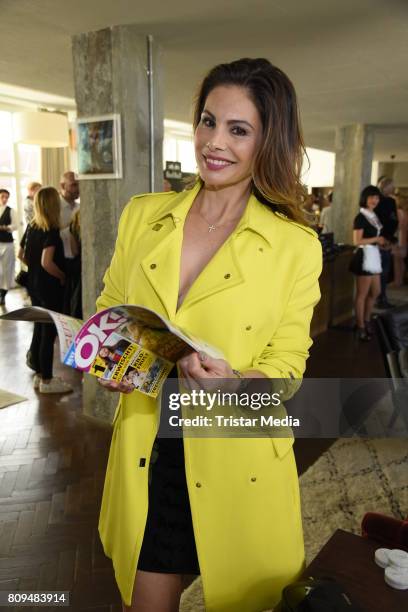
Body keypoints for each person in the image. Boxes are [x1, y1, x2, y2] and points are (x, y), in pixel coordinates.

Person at [96, 58, 322, 612]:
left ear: (268, 142)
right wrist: (111, 361)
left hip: (236, 454)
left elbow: (288, 366)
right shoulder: (141, 217)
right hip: (151, 449)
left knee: (242, 598)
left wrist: (237, 384)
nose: (213, 142)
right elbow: (110, 311)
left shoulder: (296, 246)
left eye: (237, 129)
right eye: (206, 121)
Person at [19, 187, 72, 394]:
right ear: (52, 204)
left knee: (40, 329)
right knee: (48, 332)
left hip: (33, 285)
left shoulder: (32, 227)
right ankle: (48, 381)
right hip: (49, 288)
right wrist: (62, 276)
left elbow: (21, 254)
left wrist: (33, 270)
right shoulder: (50, 229)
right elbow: (47, 262)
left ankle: (41, 376)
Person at [349, 186, 385, 341]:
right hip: (364, 256)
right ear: (365, 198)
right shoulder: (361, 217)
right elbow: (357, 241)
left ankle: (367, 319)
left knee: (375, 292)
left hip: (374, 255)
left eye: (377, 198)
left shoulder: (373, 215)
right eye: (372, 197)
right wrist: (377, 239)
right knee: (362, 294)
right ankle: (361, 325)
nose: (374, 200)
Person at [375, 177, 398, 308]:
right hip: (378, 241)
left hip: (388, 239)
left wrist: (391, 239)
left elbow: (393, 221)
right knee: (380, 273)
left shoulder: (391, 201)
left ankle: (382, 297)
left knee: (385, 272)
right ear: (385, 186)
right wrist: (381, 239)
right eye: (392, 186)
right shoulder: (377, 201)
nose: (394, 188)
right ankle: (379, 298)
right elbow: (377, 223)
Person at [59, 171, 80, 314]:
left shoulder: (80, 208)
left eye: (79, 184)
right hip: (60, 262)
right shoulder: (55, 208)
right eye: (73, 185)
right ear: (62, 186)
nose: (78, 188)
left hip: (76, 261)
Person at [0, 188, 18, 306]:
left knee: (7, 271)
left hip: (7, 244)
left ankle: (3, 295)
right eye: (2, 196)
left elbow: (16, 225)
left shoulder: (11, 211)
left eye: (7, 197)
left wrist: (7, 228)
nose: (5, 199)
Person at [392, 195, 408, 287]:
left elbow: (397, 226)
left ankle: (397, 281)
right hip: (404, 238)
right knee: (401, 261)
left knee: (397, 261)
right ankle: (400, 280)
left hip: (398, 238)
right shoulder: (405, 213)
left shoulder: (398, 212)